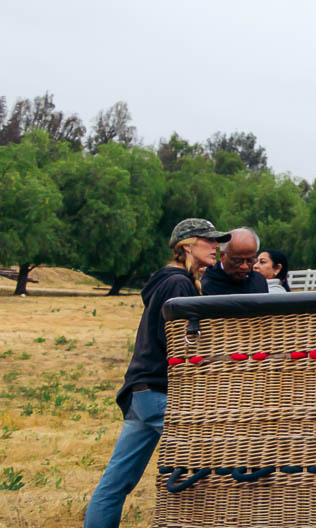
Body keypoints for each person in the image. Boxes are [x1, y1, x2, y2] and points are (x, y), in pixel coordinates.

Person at [84, 218, 228, 528]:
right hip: (158, 392)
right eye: (209, 240)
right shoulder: (178, 284)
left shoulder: (169, 281)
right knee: (218, 456)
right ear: (186, 246)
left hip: (143, 392)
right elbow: (176, 344)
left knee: (117, 482)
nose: (217, 246)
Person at [199, 228, 269, 295]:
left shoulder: (259, 281)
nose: (244, 266)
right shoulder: (207, 286)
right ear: (221, 255)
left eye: (250, 260)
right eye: (238, 261)